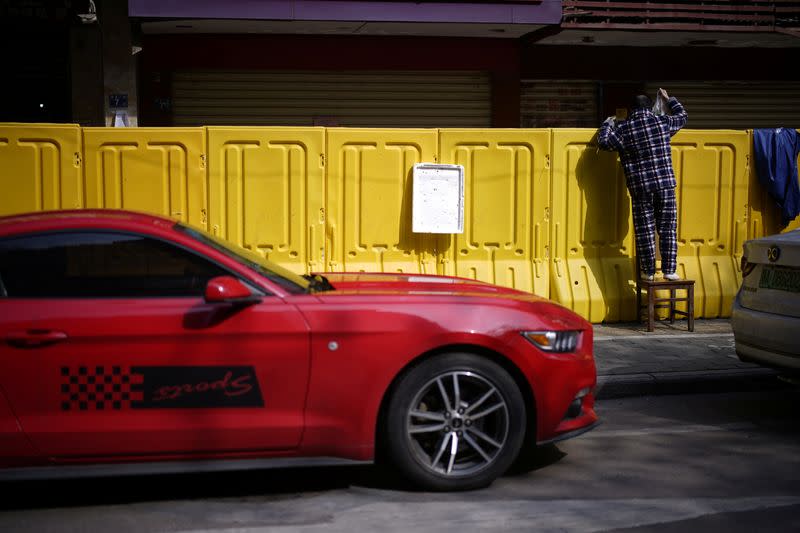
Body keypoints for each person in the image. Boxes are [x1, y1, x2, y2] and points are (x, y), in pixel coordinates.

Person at [598, 89, 688, 281]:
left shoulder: (624, 129)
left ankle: (648, 272)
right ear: (650, 107)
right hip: (665, 185)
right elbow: (682, 116)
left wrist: (607, 124)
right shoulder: (662, 123)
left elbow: (604, 142)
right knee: (667, 228)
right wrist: (668, 99)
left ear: (631, 110)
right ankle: (670, 270)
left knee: (645, 229)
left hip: (640, 188)